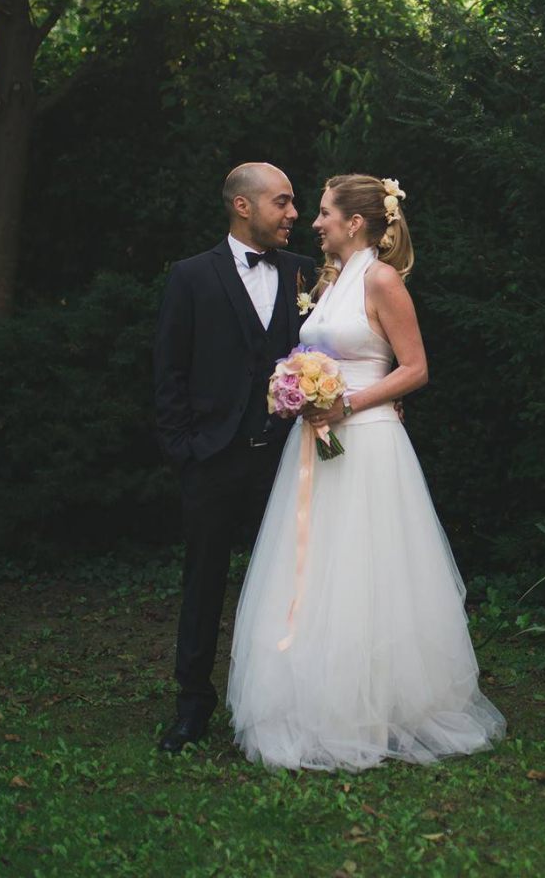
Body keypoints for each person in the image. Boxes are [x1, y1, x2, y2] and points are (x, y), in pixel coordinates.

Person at [225, 174, 506, 770]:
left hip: (368, 443)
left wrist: (346, 402)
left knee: (368, 570)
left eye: (325, 213)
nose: (314, 222)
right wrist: (299, 387)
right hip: (317, 443)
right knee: (318, 570)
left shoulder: (381, 280)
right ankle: (318, 703)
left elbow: (415, 368)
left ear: (354, 223)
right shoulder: (330, 282)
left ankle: (383, 708)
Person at [153, 163, 318, 754]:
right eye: (283, 202)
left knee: (292, 582)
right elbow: (169, 370)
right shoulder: (191, 276)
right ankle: (192, 705)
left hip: (288, 457)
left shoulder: (305, 273)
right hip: (213, 458)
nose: (294, 213)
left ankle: (287, 700)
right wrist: (184, 450)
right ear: (243, 206)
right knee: (204, 581)